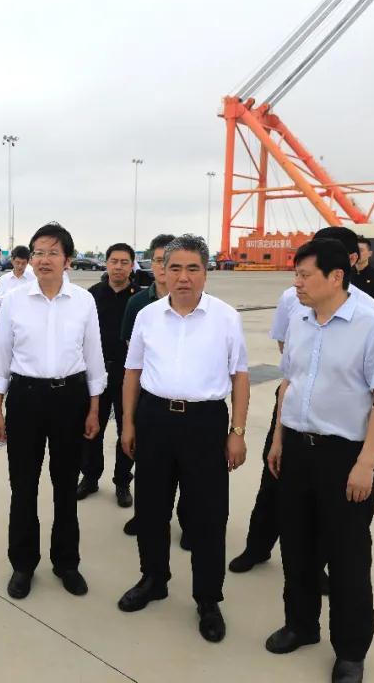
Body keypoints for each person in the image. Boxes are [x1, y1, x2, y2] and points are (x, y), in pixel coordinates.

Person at [263, 238, 374, 683]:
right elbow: (289, 384)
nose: (297, 284)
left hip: (344, 456)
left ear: (336, 277)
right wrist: (278, 440)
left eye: (305, 275)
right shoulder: (300, 321)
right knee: (296, 546)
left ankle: (351, 651)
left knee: (347, 557)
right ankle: (301, 625)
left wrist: (366, 463)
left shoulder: (372, 326)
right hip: (296, 449)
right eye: (295, 275)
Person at [116, 234, 249, 644]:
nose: (183, 277)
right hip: (155, 419)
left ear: (206, 273)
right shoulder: (147, 316)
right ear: (163, 271)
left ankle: (208, 599)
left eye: (193, 268)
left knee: (209, 516)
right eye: (175, 268)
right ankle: (153, 579)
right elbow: (132, 372)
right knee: (151, 508)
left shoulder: (225, 317)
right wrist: (128, 425)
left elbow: (240, 376)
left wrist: (237, 432)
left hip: (205, 423)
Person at [229, 226, 374, 581]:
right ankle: (258, 546)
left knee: (330, 500)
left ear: (348, 261)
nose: (299, 280)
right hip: (294, 403)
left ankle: (317, 565)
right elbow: (287, 348)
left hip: (337, 424)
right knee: (274, 479)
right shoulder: (292, 298)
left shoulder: (368, 311)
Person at [0, 223, 105, 601]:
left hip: (70, 398)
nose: (44, 259)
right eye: (38, 252)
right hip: (26, 398)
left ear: (68, 260)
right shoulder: (14, 301)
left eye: (53, 252)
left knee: (65, 484)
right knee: (23, 485)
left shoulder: (83, 301)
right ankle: (23, 564)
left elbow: (94, 358)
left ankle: (66, 562)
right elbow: (0, 356)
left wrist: (94, 408)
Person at [120, 234, 188, 544]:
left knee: (187, 470)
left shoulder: (198, 303)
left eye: (169, 261)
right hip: (150, 396)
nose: (163, 267)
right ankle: (145, 516)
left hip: (187, 399)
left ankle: (188, 521)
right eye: (159, 261)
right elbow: (131, 356)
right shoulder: (138, 304)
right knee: (149, 466)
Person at [76, 243, 139, 507]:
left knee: (128, 428)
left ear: (132, 266)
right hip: (96, 373)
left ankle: (122, 481)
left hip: (128, 376)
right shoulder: (91, 296)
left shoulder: (139, 299)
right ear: (106, 263)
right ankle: (90, 477)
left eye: (124, 262)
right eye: (114, 261)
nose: (118, 267)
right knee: (92, 428)